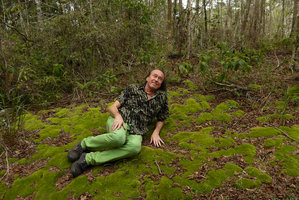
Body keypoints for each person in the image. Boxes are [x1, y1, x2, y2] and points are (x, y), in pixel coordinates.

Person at [68, 69, 169, 177]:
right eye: (154, 76)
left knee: (134, 148)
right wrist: (118, 116)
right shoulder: (133, 88)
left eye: (160, 78)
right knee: (119, 138)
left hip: (137, 130)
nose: (156, 80)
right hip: (120, 120)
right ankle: (83, 144)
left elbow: (162, 117)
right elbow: (112, 107)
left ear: (161, 83)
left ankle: (87, 159)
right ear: (147, 78)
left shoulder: (161, 98)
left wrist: (156, 132)